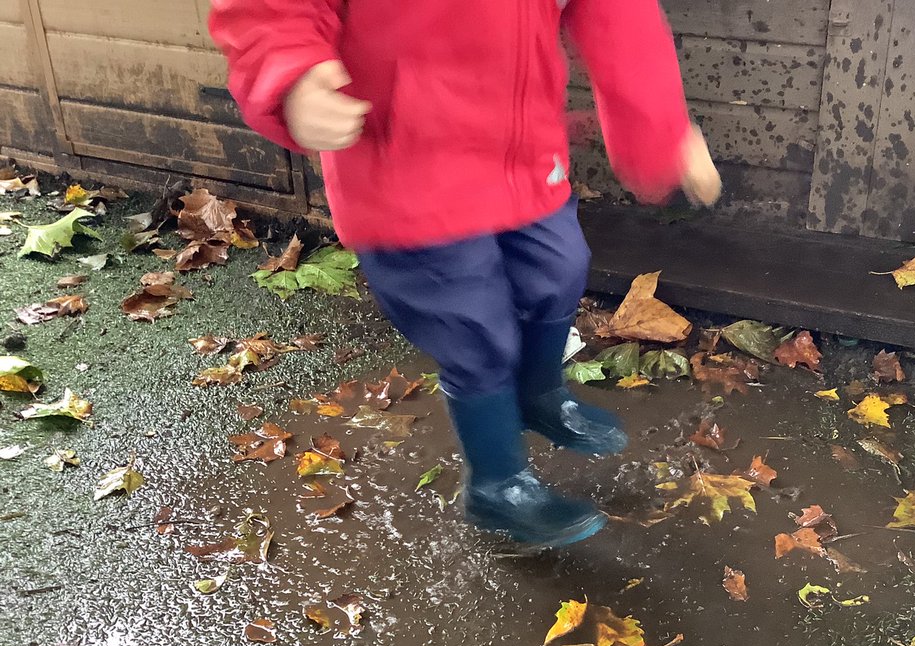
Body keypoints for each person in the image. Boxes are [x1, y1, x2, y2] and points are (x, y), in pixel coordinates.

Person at [209, 0, 721, 547]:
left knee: (558, 270)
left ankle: (537, 393)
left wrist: (660, 129)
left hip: (520, 146)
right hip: (407, 160)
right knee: (471, 326)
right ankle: (498, 483)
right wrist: (292, 73)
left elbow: (618, 15)